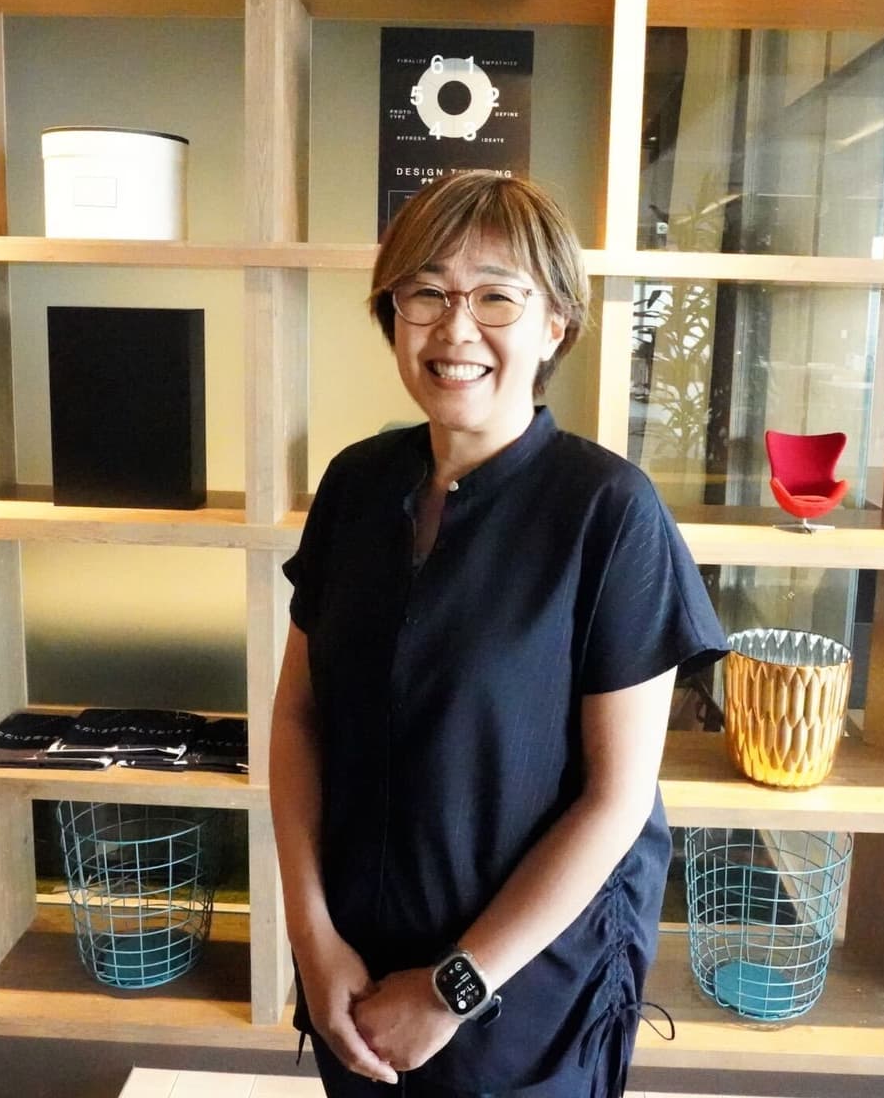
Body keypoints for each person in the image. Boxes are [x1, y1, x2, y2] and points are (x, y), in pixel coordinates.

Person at [272, 171, 728, 1097]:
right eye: (426, 293)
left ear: (555, 322)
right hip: (355, 963)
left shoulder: (609, 512)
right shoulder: (356, 487)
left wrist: (450, 991)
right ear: (391, 313)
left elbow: (617, 799)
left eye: (495, 296)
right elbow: (298, 721)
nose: (455, 328)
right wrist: (313, 942)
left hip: (529, 988)